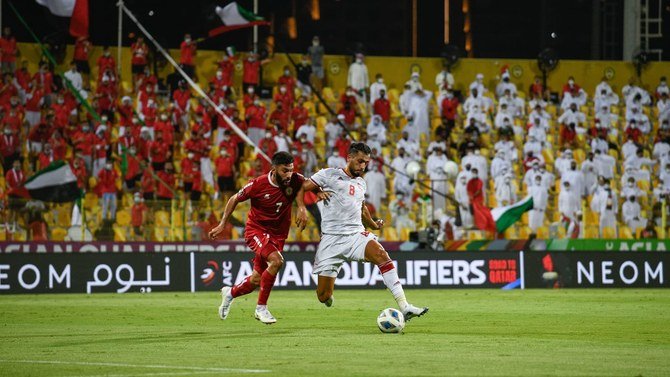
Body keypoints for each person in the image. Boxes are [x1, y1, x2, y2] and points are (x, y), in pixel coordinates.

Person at [301, 142, 428, 320]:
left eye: (366, 163)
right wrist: (310, 197)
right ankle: (328, 297)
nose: (362, 166)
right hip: (330, 240)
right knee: (323, 296)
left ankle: (404, 306)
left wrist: (373, 224)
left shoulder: (361, 183)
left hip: (355, 235)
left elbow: (361, 208)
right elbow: (302, 186)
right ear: (349, 158)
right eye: (360, 161)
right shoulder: (329, 174)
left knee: (382, 256)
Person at [209, 152, 309, 324]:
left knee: (256, 279)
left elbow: (305, 184)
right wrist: (223, 223)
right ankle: (261, 308)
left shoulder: (294, 179)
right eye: (285, 171)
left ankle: (230, 293)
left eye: (291, 170)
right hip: (256, 231)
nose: (289, 175)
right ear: (274, 169)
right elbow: (234, 198)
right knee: (277, 262)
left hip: (278, 235)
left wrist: (304, 205)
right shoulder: (258, 184)